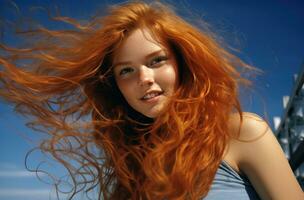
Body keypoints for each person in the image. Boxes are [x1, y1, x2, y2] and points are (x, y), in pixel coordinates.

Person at [0, 1, 303, 200]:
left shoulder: (243, 133)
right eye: (126, 70)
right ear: (115, 86)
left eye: (157, 60)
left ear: (182, 64)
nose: (143, 78)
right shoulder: (129, 171)